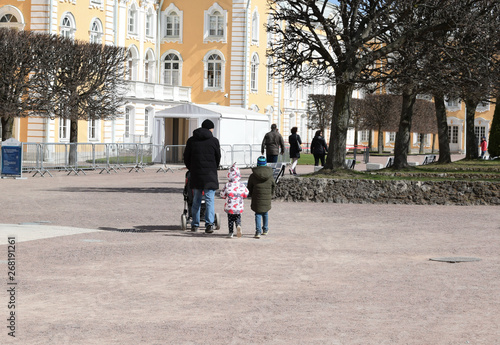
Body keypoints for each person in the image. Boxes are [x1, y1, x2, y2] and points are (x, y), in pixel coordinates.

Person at [183, 119, 221, 233]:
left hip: (196, 174)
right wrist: (214, 167)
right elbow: (218, 157)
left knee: (196, 199)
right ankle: (209, 224)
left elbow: (186, 157)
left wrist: (192, 168)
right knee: (209, 200)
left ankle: (195, 224)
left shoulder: (191, 141)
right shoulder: (214, 141)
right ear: (210, 129)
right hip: (210, 175)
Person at [247, 156, 276, 239]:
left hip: (257, 197)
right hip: (267, 197)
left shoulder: (253, 175)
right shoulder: (270, 175)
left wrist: (252, 194)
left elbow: (249, 186)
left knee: (258, 214)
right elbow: (273, 185)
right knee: (265, 213)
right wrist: (271, 193)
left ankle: (258, 231)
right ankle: (265, 229)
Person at [220, 163, 249, 238]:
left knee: (230, 219)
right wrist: (242, 196)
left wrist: (225, 196)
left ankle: (231, 232)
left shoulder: (227, 185)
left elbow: (222, 194)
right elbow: (246, 193)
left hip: (230, 206)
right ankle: (238, 226)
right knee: (238, 218)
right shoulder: (242, 185)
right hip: (238, 206)